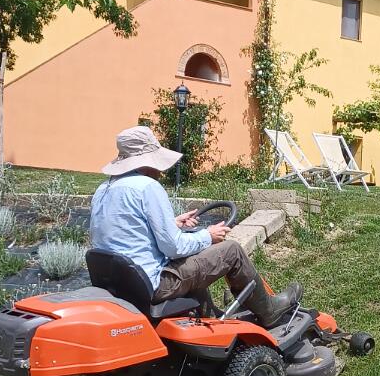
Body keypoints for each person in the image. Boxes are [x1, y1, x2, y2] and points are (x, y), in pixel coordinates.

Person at [90, 126, 302, 327]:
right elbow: (173, 247)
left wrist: (172, 223)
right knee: (231, 251)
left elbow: (125, 231)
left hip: (123, 285)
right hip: (156, 285)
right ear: (145, 163)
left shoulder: (104, 189)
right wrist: (208, 235)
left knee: (195, 261)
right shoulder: (147, 187)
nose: (160, 171)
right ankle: (269, 310)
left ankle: (210, 317)